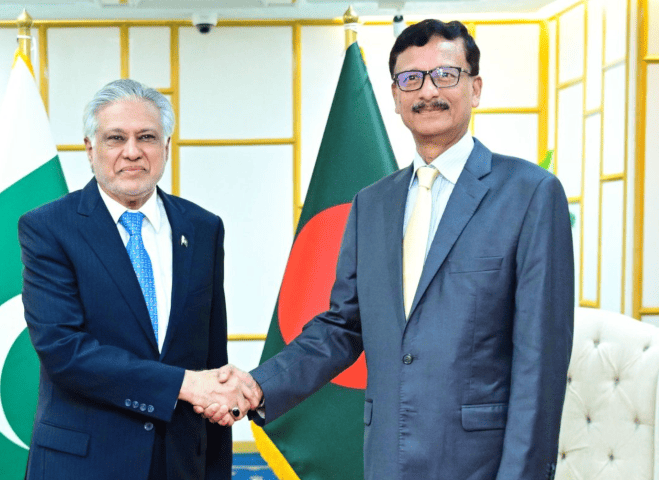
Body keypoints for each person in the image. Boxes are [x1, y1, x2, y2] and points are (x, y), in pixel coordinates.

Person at [208, 19, 574, 480]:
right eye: (411, 78)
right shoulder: (372, 203)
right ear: (396, 96)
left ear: (475, 88)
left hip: (480, 465)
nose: (428, 91)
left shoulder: (530, 193)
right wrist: (257, 385)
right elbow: (344, 326)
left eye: (445, 74)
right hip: (386, 458)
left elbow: (541, 362)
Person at [18, 79, 250, 480]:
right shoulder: (49, 228)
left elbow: (210, 358)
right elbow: (64, 350)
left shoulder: (202, 228)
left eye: (146, 137)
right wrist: (183, 384)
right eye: (115, 138)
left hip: (180, 460)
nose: (132, 151)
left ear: (166, 147)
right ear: (90, 149)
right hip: (84, 464)